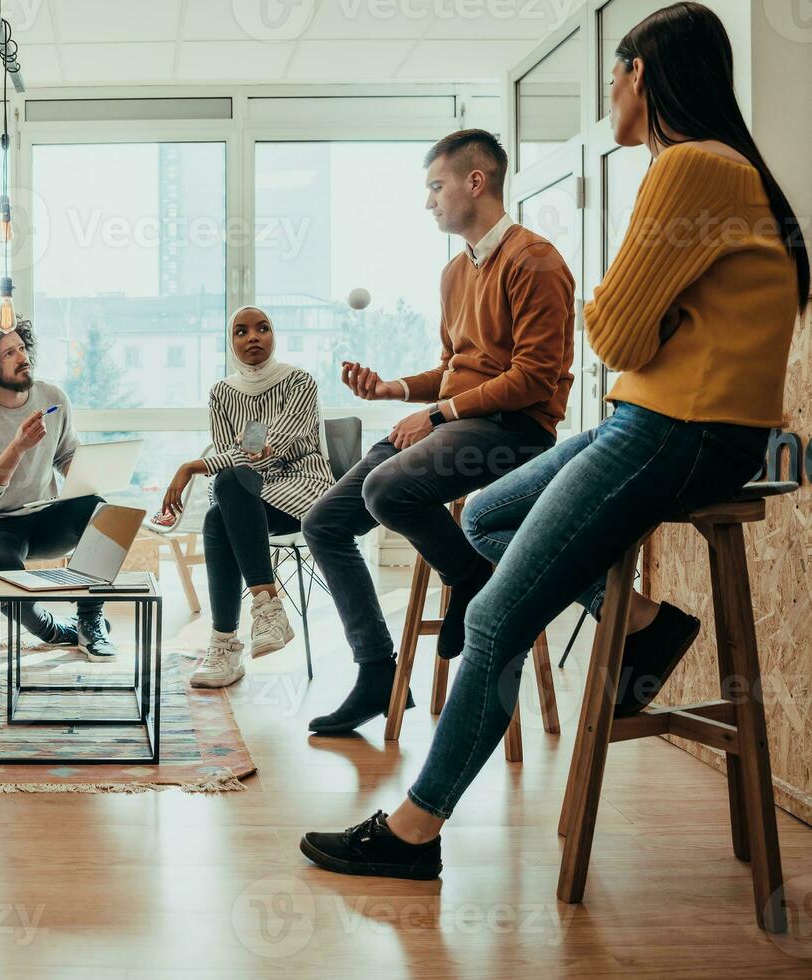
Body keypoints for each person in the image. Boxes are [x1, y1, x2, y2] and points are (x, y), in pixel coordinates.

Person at [301, 1, 809, 881]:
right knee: (491, 518)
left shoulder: (687, 168)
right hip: (660, 419)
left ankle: (416, 830)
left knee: (495, 613)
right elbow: (632, 335)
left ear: (641, 73)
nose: (609, 90)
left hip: (678, 427)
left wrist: (634, 314)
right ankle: (648, 628)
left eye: (614, 72)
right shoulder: (721, 170)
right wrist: (406, 391)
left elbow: (611, 335)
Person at [301, 128, 575, 735]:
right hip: (456, 426)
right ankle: (376, 673)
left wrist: (437, 414)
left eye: (435, 186)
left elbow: (533, 378)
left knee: (387, 490)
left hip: (514, 430)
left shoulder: (537, 261)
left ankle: (469, 576)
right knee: (323, 522)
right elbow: (456, 370)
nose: (429, 201)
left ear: (475, 182)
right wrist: (395, 390)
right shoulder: (455, 273)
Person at [161, 306, 332, 688]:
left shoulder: (299, 381)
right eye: (241, 331)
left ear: (273, 335)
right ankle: (256, 618)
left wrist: (193, 465)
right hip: (249, 496)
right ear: (231, 341)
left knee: (221, 504)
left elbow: (266, 446)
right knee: (222, 502)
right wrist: (230, 461)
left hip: (301, 487)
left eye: (262, 328)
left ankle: (228, 641)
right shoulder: (222, 393)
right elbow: (238, 460)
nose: (252, 337)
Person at [0, 318, 117, 660]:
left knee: (101, 512)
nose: (21, 356)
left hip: (42, 517)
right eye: (8, 353)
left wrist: (88, 480)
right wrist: (17, 447)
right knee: (4, 581)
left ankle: (89, 621)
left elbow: (66, 454)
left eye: (22, 348)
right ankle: (53, 630)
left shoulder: (53, 397)